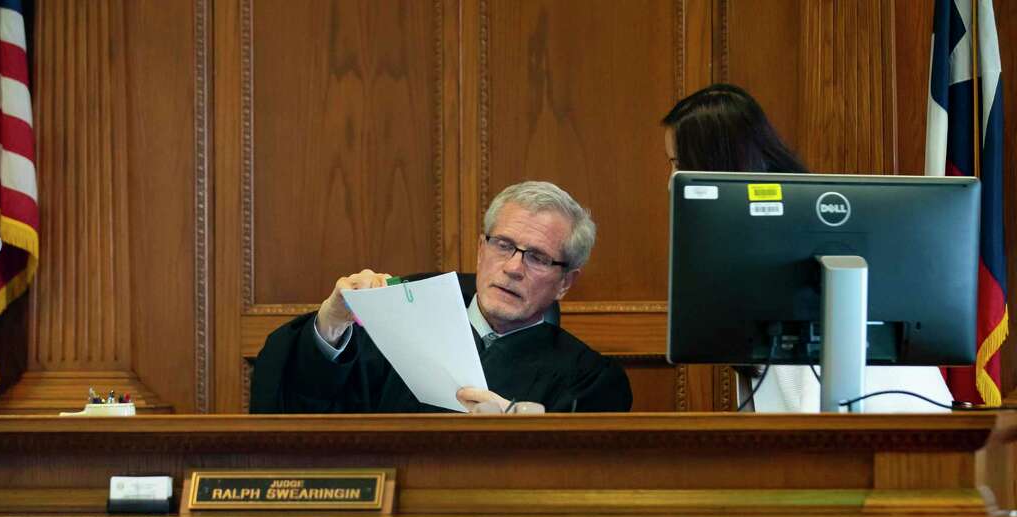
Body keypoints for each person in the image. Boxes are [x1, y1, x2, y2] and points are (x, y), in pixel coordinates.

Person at [662, 83, 954, 413]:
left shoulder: (791, 252)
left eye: (678, 162)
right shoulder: (744, 254)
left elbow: (817, 425)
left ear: (713, 166)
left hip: (896, 443)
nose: (670, 181)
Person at [250, 180, 633, 413]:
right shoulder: (392, 330)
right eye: (503, 245)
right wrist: (331, 323)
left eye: (537, 257)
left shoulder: (591, 382)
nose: (514, 267)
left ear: (566, 282)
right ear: (480, 249)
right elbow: (305, 408)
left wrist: (516, 424)